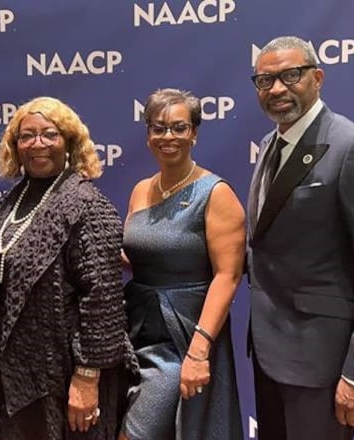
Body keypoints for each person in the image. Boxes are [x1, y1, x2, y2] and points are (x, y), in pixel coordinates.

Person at [247, 36, 354, 440]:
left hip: (325, 363)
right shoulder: (271, 144)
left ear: (317, 78)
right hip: (270, 354)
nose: (277, 89)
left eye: (291, 75)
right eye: (265, 81)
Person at [0, 96, 135, 440]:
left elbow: (103, 301)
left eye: (49, 134)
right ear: (14, 146)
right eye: (26, 136)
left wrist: (86, 377)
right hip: (17, 371)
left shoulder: (86, 204)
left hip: (66, 374)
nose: (37, 144)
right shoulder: (13, 200)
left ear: (69, 142)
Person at [119, 89, 245, 440]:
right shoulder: (141, 189)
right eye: (158, 128)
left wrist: (199, 350)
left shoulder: (216, 193)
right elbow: (142, 257)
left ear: (194, 133)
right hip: (137, 330)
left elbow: (228, 275)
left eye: (178, 127)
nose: (168, 137)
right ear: (148, 135)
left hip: (182, 337)